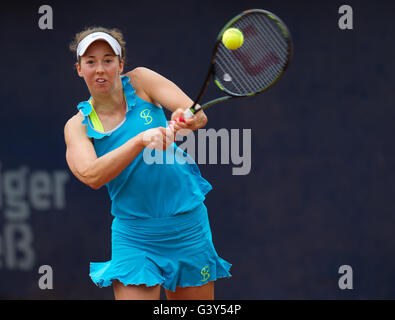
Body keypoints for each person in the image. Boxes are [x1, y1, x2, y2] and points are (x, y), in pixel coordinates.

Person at [64, 27, 231, 300]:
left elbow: (197, 116)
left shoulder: (142, 81)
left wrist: (189, 119)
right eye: (91, 62)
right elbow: (91, 175)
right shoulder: (77, 126)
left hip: (187, 226)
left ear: (120, 65)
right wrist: (140, 140)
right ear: (80, 69)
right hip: (134, 236)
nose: (100, 69)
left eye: (108, 60)